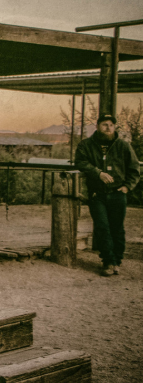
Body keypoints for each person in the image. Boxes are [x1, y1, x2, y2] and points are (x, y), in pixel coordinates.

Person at [74, 114, 140, 276]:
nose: (108, 128)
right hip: (98, 195)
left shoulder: (123, 146)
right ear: (97, 126)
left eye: (111, 125)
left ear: (115, 127)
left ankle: (117, 260)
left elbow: (134, 169)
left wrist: (126, 187)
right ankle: (108, 262)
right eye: (104, 124)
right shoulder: (86, 145)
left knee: (117, 228)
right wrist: (98, 173)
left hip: (118, 194)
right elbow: (80, 162)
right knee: (102, 227)